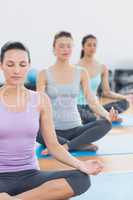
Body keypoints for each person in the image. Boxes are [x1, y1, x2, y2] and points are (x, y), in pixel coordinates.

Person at [0, 41, 104, 200]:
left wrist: (81, 165)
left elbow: (53, 145)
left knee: (81, 179)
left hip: (30, 175)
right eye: (10, 64)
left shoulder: (40, 100)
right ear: (1, 65)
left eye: (22, 64)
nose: (16, 70)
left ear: (29, 66)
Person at [37, 31, 118, 155]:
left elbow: (91, 100)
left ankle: (65, 146)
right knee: (33, 129)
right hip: (52, 130)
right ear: (54, 49)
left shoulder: (81, 72)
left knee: (106, 124)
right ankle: (78, 144)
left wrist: (107, 114)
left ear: (73, 48)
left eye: (69, 46)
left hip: (76, 128)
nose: (66, 49)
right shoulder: (44, 74)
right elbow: (39, 103)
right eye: (61, 46)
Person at [77, 34, 132, 124]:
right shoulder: (76, 67)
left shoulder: (102, 67)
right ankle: (102, 117)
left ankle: (102, 116)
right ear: (83, 47)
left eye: (94, 45)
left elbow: (107, 92)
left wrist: (126, 97)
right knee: (87, 115)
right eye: (89, 45)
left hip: (96, 107)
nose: (92, 47)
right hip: (80, 107)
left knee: (125, 103)